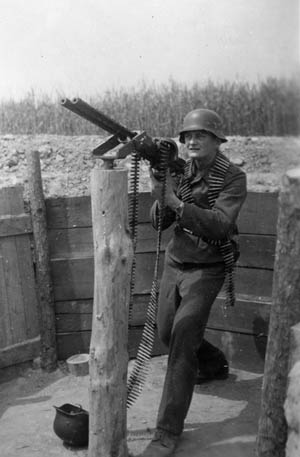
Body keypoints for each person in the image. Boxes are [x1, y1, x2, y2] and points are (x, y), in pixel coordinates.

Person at [141, 108, 247, 457]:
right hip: (176, 258)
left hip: (208, 266)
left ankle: (166, 433)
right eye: (187, 136)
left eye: (201, 135)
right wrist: (160, 186)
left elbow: (220, 226)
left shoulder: (232, 178)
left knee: (183, 341)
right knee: (167, 332)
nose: (192, 140)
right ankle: (214, 363)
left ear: (218, 140)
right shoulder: (181, 172)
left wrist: (177, 202)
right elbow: (159, 221)